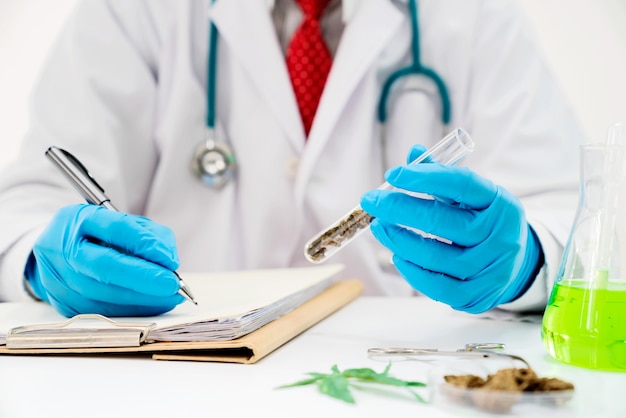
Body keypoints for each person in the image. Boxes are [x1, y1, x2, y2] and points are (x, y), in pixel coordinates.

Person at [0, 0, 586, 317]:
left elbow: (573, 216)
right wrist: (40, 262)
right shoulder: (134, 11)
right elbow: (26, 208)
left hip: (404, 378)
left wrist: (524, 260)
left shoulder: (480, 16)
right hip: (184, 375)